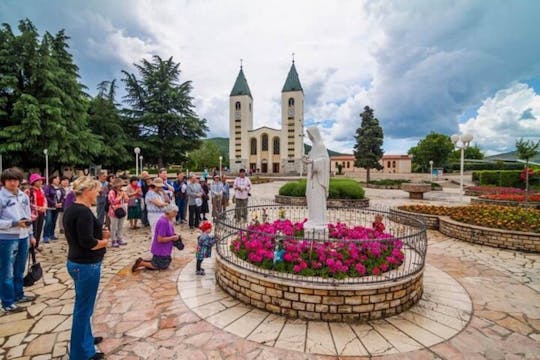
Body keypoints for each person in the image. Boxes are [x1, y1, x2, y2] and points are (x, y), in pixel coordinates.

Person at [63, 176, 109, 360]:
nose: (98, 194)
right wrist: (104, 242)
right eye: (96, 191)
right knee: (83, 310)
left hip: (78, 263)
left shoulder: (72, 209)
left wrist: (100, 234)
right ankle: (82, 354)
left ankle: (86, 340)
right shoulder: (82, 212)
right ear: (87, 191)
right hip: (86, 265)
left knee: (84, 307)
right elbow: (87, 242)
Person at [0, 168, 37, 313]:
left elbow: (27, 215)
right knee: (6, 271)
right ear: (4, 181)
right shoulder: (2, 197)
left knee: (19, 269)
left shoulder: (23, 196)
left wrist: (31, 234)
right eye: (9, 180)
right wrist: (14, 223)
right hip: (7, 238)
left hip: (24, 236)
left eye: (15, 180)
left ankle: (18, 294)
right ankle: (8, 302)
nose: (13, 183)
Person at [131, 203, 181, 272]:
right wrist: (172, 238)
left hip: (165, 249)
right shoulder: (163, 222)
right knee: (160, 265)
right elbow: (160, 239)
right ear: (169, 212)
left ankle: (144, 262)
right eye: (174, 212)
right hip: (161, 249)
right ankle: (141, 263)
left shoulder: (169, 220)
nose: (176, 214)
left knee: (164, 263)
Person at [302, 126, 330, 230]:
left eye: (309, 133)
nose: (308, 136)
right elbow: (312, 160)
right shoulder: (313, 147)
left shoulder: (320, 145)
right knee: (311, 199)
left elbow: (325, 161)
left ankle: (319, 221)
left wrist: (313, 162)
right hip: (312, 180)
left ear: (314, 133)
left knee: (317, 200)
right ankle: (313, 218)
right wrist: (307, 159)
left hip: (318, 181)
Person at [26, 173, 47, 248]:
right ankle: (31, 246)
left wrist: (44, 206)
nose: (40, 182)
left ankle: (36, 245)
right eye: (38, 180)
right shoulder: (29, 191)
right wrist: (37, 207)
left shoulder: (41, 190)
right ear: (33, 182)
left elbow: (44, 199)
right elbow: (28, 203)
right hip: (33, 214)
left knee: (39, 229)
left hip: (41, 213)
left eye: (41, 180)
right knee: (33, 230)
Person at [108, 179, 129, 247]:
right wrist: (120, 196)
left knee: (120, 226)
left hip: (122, 210)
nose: (121, 187)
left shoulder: (122, 191)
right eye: (120, 185)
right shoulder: (111, 192)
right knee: (114, 227)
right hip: (114, 211)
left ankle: (119, 238)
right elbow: (113, 201)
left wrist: (125, 196)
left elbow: (127, 200)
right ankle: (113, 240)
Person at [43, 175, 62, 242]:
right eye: (57, 179)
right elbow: (46, 197)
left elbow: (61, 196)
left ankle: (51, 235)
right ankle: (45, 236)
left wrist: (60, 203)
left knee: (54, 221)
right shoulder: (48, 187)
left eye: (58, 179)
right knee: (48, 221)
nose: (58, 180)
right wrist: (54, 203)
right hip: (49, 207)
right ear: (52, 179)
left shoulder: (58, 188)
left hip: (56, 207)